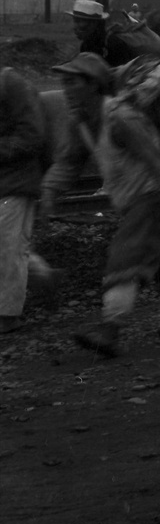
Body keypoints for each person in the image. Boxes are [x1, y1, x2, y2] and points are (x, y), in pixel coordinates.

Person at [41, 52, 160, 357]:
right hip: (135, 201)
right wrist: (50, 191)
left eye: (72, 82)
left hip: (151, 198)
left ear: (93, 85)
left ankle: (110, 330)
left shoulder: (121, 119)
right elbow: (69, 162)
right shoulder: (81, 122)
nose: (66, 89)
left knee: (125, 258)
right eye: (63, 82)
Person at [0, 67, 63, 335]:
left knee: (8, 247)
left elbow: (32, 136)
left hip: (14, 180)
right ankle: (46, 278)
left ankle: (7, 315)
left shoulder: (10, 83)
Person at [68, 0, 134, 67]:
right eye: (75, 21)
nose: (75, 27)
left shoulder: (114, 45)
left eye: (79, 22)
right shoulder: (85, 46)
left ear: (94, 23)